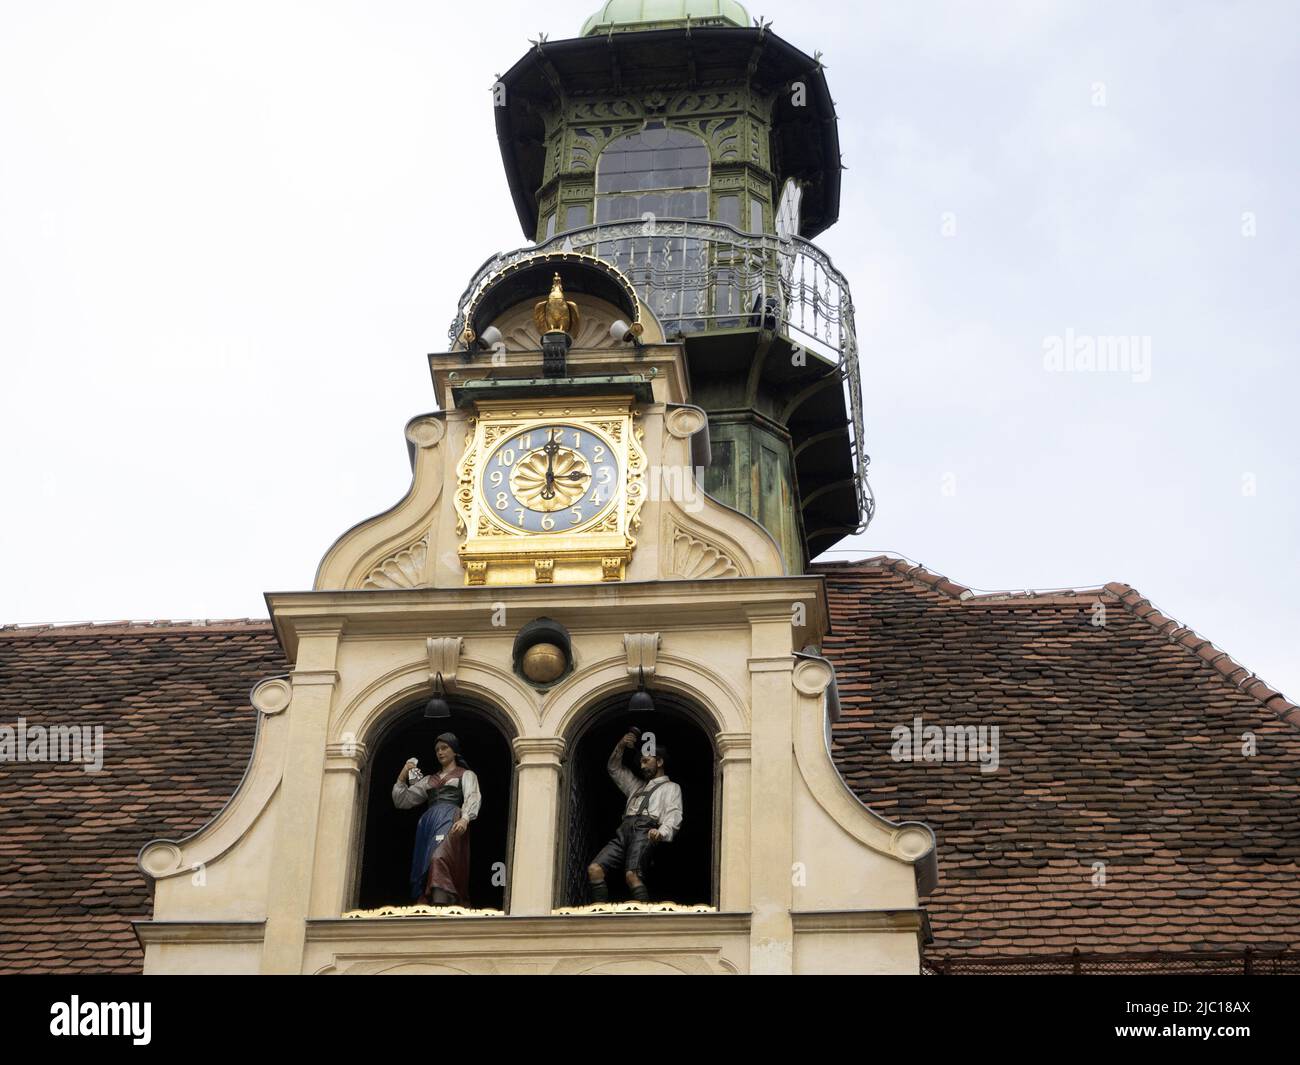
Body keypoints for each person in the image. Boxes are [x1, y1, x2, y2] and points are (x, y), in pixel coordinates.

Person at [587, 728, 682, 903]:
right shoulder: (635, 786)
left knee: (632, 875)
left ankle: (644, 917)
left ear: (659, 761)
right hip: (623, 831)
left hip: (644, 830)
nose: (642, 766)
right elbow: (614, 768)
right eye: (640, 762)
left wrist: (662, 831)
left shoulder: (671, 787)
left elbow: (673, 813)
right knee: (594, 869)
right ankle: (598, 911)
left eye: (646, 761)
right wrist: (621, 745)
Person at [392, 733, 480, 906]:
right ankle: (428, 899)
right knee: (426, 860)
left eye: (445, 748)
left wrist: (464, 819)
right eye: (437, 749)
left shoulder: (466, 775)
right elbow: (402, 800)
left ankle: (443, 899)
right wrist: (403, 774)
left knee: (439, 857)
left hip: (451, 819)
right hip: (428, 823)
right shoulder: (428, 780)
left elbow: (472, 797)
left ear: (454, 751)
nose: (440, 752)